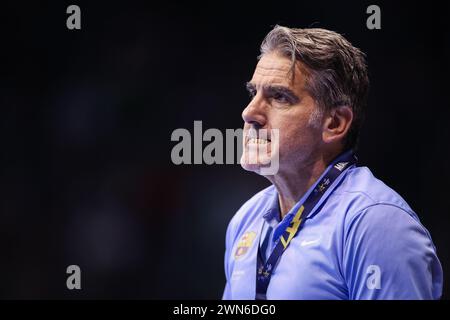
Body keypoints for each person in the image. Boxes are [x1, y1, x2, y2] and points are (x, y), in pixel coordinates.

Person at [222, 25, 443, 300]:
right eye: (253, 93)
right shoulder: (246, 220)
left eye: (279, 97)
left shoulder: (375, 224)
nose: (249, 112)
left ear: (335, 123)